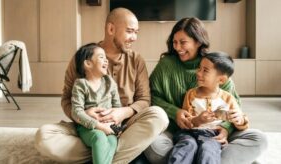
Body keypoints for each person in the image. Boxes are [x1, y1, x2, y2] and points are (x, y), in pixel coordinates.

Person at [34, 8, 169, 163]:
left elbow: (144, 100)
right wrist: (87, 116)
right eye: (130, 31)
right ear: (111, 29)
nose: (134, 37)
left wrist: (122, 113)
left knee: (159, 116)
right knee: (43, 137)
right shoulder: (83, 57)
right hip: (88, 128)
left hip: (123, 129)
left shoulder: (136, 60)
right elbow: (66, 99)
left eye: (136, 32)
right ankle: (109, 154)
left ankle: (99, 155)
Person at [145, 17, 267, 164]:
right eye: (174, 42)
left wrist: (226, 129)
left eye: (183, 42)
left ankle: (197, 157)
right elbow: (151, 96)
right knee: (152, 143)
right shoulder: (166, 65)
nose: (177, 47)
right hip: (178, 133)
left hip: (214, 134)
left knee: (259, 139)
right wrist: (174, 112)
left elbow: (235, 108)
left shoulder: (215, 65)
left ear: (198, 41)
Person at [168, 52, 249, 164]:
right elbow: (186, 121)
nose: (198, 73)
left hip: (212, 135)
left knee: (208, 149)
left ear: (221, 80)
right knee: (187, 145)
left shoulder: (228, 98)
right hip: (189, 133)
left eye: (205, 70)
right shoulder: (191, 94)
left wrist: (240, 120)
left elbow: (242, 121)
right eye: (199, 68)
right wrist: (198, 120)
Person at [71, 43, 122, 164]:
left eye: (106, 57)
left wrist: (116, 125)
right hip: (88, 127)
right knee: (99, 137)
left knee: (113, 141)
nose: (106, 60)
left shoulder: (110, 83)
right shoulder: (81, 84)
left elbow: (117, 107)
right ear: (88, 64)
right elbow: (76, 111)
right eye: (101, 57)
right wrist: (99, 126)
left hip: (109, 126)